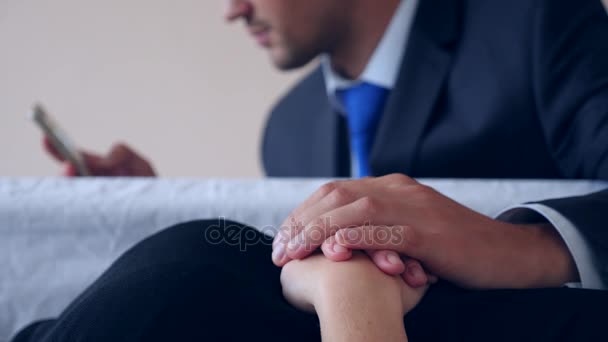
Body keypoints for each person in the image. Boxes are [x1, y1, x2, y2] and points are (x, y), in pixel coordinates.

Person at [23, 0, 608, 340]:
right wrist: (151, 210)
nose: (232, 9)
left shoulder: (535, 23)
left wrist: (523, 246)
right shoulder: (288, 126)